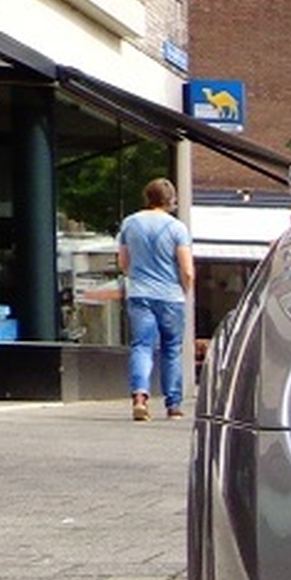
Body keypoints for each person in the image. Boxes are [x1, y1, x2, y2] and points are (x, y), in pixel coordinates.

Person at [118, 178, 194, 421]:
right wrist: (185, 290)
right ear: (170, 200)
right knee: (171, 349)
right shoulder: (177, 228)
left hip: (140, 293)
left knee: (142, 345)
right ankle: (173, 405)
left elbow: (123, 263)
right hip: (170, 296)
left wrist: (138, 278)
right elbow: (187, 269)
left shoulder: (129, 224)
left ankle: (140, 397)